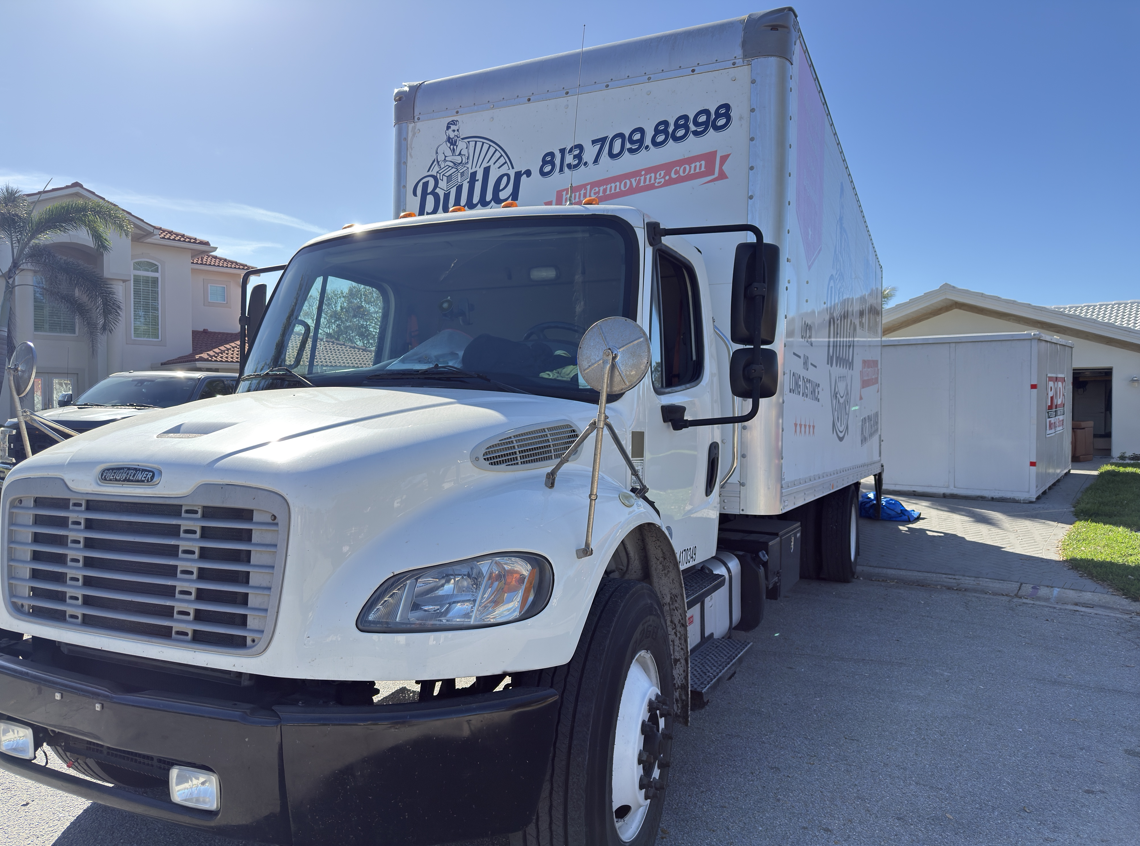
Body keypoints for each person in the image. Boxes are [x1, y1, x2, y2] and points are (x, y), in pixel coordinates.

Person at [435, 120, 471, 192]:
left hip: (464, 183)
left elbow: (464, 159)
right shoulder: (441, 148)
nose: (456, 133)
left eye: (457, 130)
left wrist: (446, 158)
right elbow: (442, 165)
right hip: (448, 184)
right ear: (447, 132)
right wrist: (457, 161)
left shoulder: (463, 144)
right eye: (453, 131)